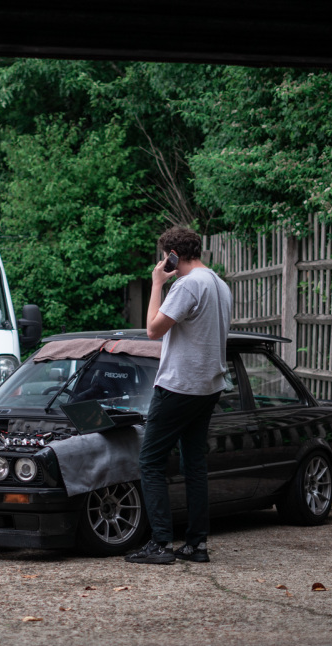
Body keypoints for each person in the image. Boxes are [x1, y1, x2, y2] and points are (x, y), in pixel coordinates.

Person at [126, 225, 232, 565]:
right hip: (208, 387)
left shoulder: (187, 285)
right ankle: (196, 545)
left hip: (178, 386)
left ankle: (160, 544)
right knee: (194, 464)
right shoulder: (220, 284)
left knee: (150, 462)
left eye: (164, 256)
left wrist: (157, 283)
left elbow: (153, 330)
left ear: (172, 256)